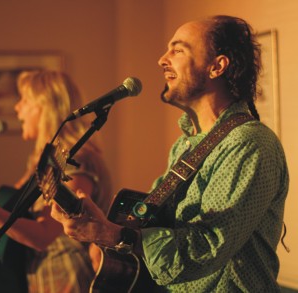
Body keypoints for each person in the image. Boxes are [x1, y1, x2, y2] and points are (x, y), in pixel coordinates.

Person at [50, 15, 288, 292]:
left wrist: (111, 234)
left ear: (217, 66)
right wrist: (102, 227)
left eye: (178, 49)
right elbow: (152, 223)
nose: (162, 59)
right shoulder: (186, 145)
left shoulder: (249, 143)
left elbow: (206, 246)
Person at [0, 70, 112, 293]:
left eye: (25, 100)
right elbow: (13, 214)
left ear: (46, 107)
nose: (17, 108)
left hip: (68, 279)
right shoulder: (41, 163)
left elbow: (43, 235)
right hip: (40, 278)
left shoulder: (78, 161)